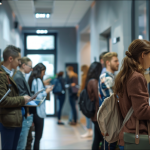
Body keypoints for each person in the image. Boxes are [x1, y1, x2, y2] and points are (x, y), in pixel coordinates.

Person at [114, 39, 150, 150]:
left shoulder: (125, 75)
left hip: (128, 134)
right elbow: (142, 111)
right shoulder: (137, 77)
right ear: (143, 55)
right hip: (135, 137)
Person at [0, 45, 31, 150]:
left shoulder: (10, 74)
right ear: (10, 59)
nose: (19, 63)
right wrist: (23, 99)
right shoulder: (2, 75)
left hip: (15, 119)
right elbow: (3, 100)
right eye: (18, 60)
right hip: (8, 120)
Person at [28, 63, 53, 150]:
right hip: (38, 111)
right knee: (38, 137)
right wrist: (47, 91)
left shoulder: (32, 79)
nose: (44, 74)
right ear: (40, 71)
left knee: (32, 137)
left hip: (33, 110)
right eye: (43, 72)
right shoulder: (38, 80)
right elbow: (38, 96)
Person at [99, 52, 119, 150]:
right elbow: (113, 99)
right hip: (110, 117)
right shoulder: (106, 77)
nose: (118, 63)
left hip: (112, 116)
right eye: (115, 61)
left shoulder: (111, 76)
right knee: (110, 145)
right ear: (108, 63)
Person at [13, 57, 33, 150]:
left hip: (24, 112)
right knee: (21, 145)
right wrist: (32, 99)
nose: (31, 69)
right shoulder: (18, 76)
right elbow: (22, 95)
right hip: (21, 113)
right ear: (24, 65)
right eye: (30, 66)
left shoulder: (22, 76)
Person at [86, 62, 103, 150]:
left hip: (94, 114)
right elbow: (98, 97)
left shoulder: (90, 80)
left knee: (97, 138)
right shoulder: (94, 81)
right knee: (102, 138)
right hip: (97, 114)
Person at [77, 65, 93, 138]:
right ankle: (89, 130)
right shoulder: (88, 76)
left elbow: (83, 87)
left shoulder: (84, 77)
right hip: (88, 97)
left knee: (87, 114)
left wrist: (79, 92)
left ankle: (89, 130)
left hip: (85, 97)